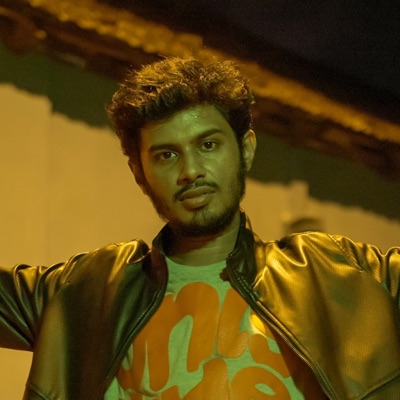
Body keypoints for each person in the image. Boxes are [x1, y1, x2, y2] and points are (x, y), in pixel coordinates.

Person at [1, 57, 399, 400]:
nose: (191, 171)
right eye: (167, 155)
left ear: (245, 149)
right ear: (139, 172)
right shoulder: (87, 291)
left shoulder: (341, 274)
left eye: (208, 145)